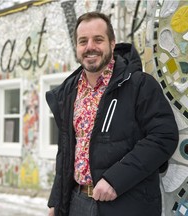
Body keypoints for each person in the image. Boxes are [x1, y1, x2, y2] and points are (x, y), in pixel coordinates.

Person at [46, 11, 179, 216]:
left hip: (127, 204)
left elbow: (164, 137)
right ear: (77, 47)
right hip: (77, 203)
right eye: (83, 41)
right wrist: (57, 202)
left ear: (112, 43)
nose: (90, 47)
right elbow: (65, 152)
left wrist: (115, 180)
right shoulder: (68, 92)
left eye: (98, 39)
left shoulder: (138, 84)